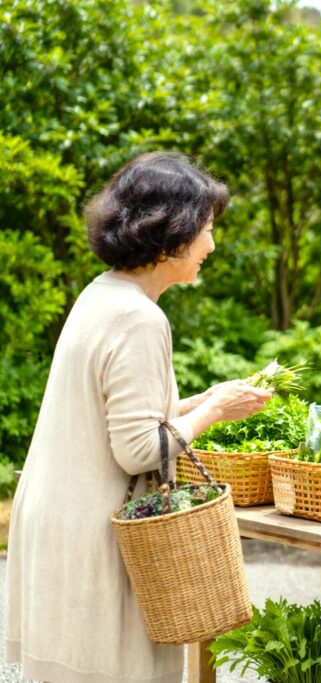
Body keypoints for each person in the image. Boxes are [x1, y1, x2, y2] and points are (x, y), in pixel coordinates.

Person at [5, 152, 273, 683]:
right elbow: (137, 450)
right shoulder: (139, 318)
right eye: (207, 229)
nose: (211, 246)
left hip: (58, 520)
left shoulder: (103, 292)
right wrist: (217, 411)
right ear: (171, 231)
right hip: (93, 537)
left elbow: (118, 415)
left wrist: (200, 402)